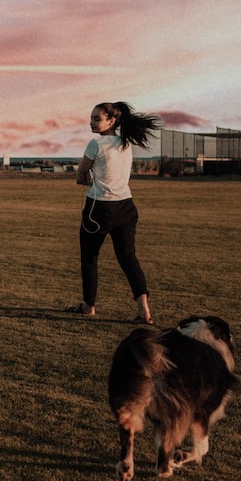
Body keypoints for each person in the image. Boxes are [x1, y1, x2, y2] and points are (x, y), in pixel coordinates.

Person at [69, 100, 162, 322]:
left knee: (90, 258)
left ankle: (88, 307)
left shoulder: (96, 144)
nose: (91, 122)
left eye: (96, 118)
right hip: (126, 208)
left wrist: (91, 179)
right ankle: (144, 311)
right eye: (91, 118)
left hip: (99, 210)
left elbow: (80, 177)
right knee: (128, 258)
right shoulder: (126, 143)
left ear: (111, 121)